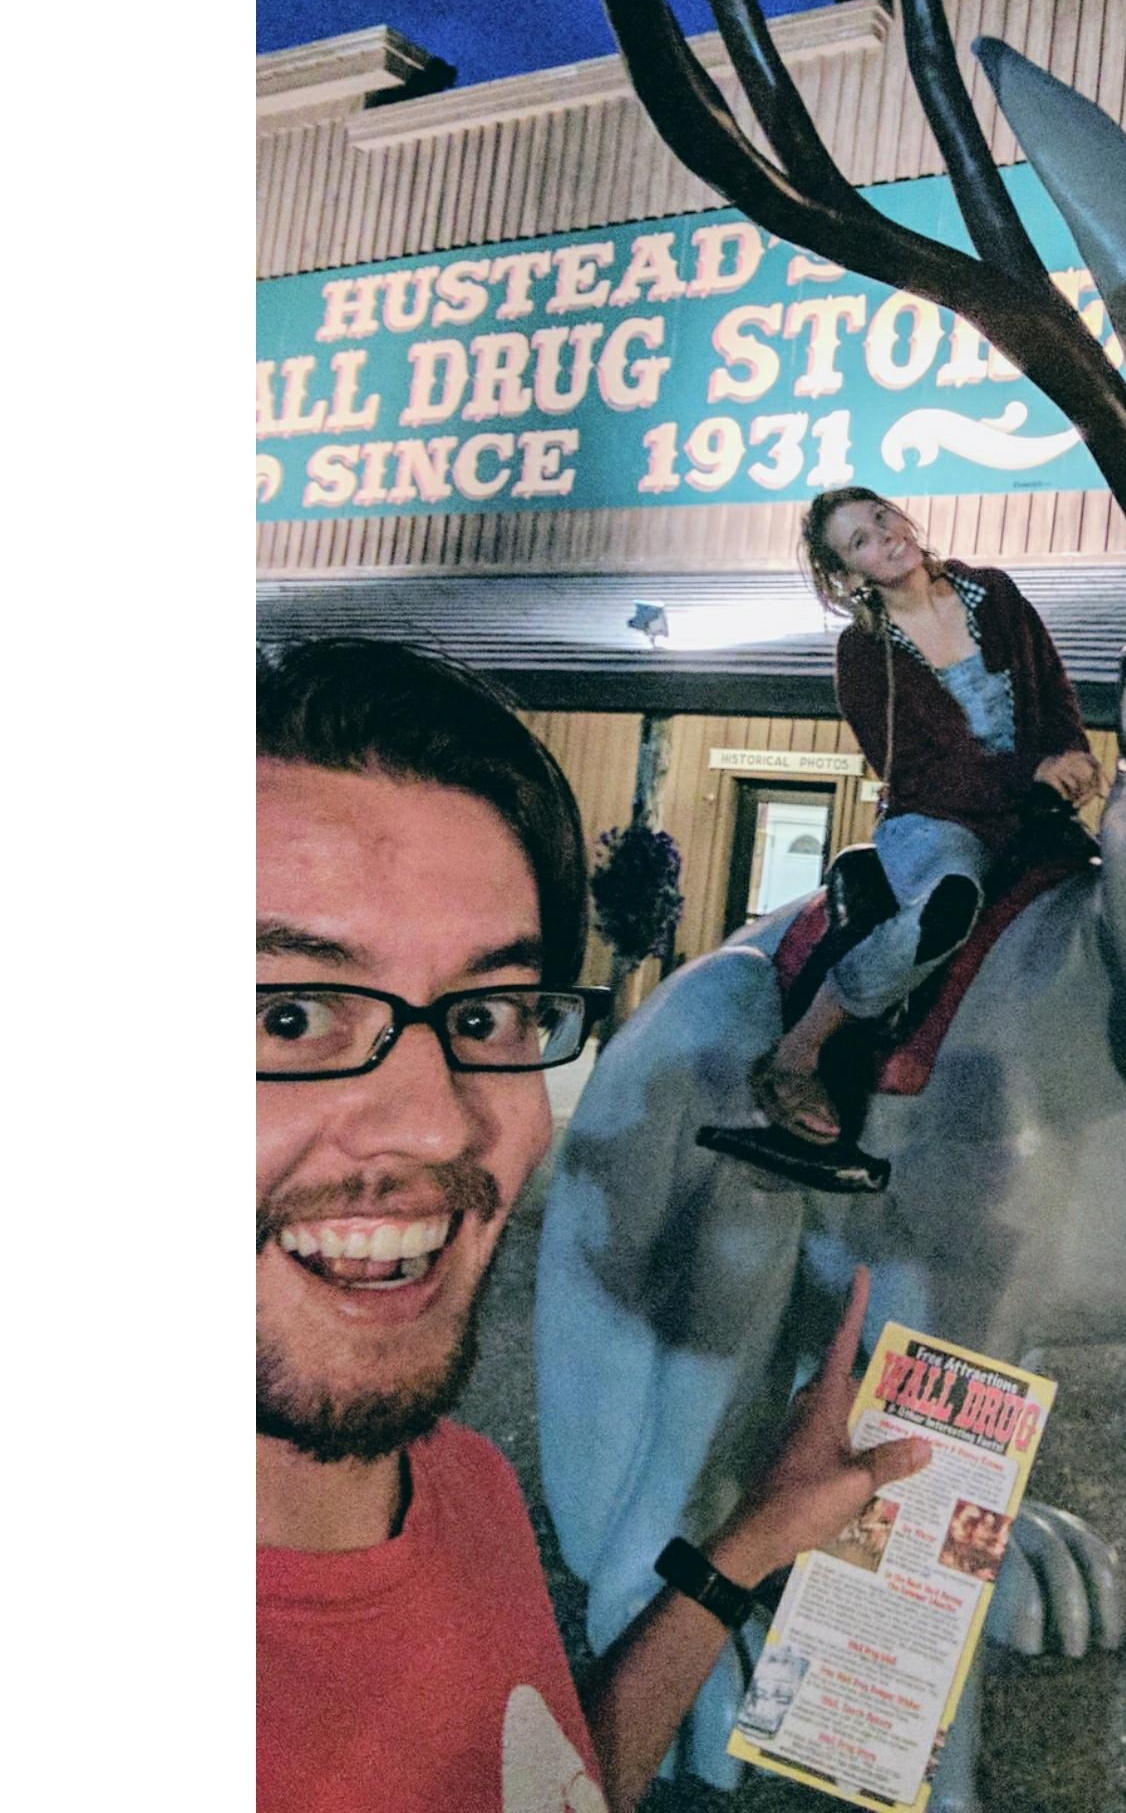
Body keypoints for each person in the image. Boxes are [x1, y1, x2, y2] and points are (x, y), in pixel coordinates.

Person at [257, 639, 930, 1813]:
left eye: (489, 1012)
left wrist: (747, 1545)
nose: (433, 1125)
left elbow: (540, 1777)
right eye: (289, 1011)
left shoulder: (458, 1482)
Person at [750, 488, 1102, 1150]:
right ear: (850, 574)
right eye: (860, 541)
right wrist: (1026, 770)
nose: (884, 537)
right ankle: (795, 1055)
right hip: (936, 818)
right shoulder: (862, 655)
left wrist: (1071, 751)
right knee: (948, 904)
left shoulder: (992, 595)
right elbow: (915, 769)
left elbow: (1052, 685)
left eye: (882, 518)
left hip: (1030, 814)